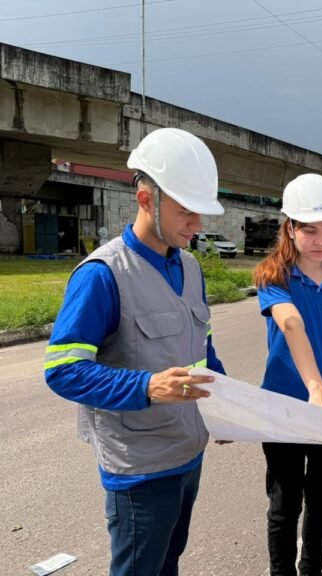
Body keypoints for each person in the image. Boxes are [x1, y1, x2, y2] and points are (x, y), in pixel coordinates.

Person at [44, 127, 227, 576]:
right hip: (140, 470)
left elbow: (201, 347)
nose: (197, 225)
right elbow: (63, 369)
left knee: (168, 562)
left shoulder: (190, 267)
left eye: (201, 213)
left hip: (189, 454)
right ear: (147, 200)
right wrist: (147, 387)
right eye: (187, 212)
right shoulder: (102, 275)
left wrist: (226, 406)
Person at [252, 173, 322, 576]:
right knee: (285, 505)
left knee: (321, 502)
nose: (321, 240)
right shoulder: (273, 276)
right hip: (283, 408)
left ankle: (311, 570)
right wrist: (314, 388)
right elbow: (291, 323)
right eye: (310, 230)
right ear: (290, 229)